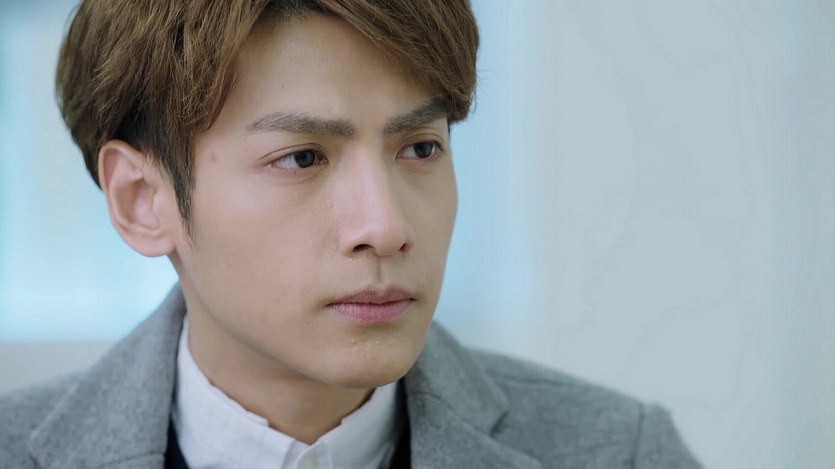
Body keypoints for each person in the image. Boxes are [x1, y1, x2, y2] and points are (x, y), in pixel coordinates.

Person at [0, 1, 702, 467]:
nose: (386, 227)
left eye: (420, 148)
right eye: (302, 158)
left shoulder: (623, 452)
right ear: (142, 200)